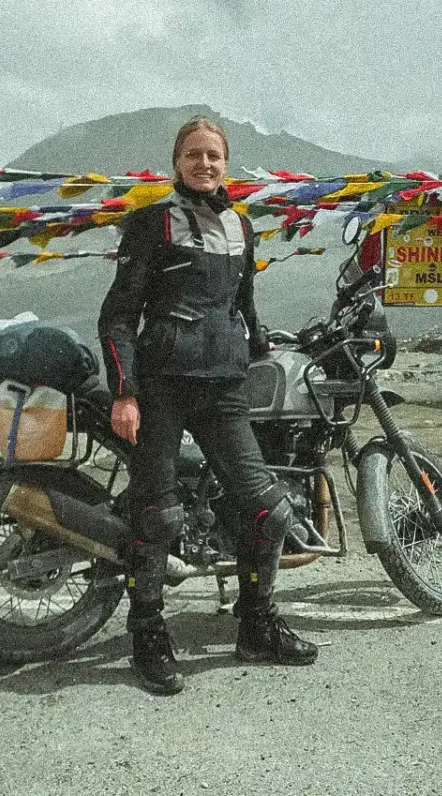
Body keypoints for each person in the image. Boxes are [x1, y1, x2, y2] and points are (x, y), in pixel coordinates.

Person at [97, 117, 319, 695]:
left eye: (214, 155)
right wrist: (125, 391)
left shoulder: (241, 226)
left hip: (224, 389)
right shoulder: (150, 223)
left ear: (227, 162)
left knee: (269, 510)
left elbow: (243, 307)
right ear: (176, 161)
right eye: (193, 154)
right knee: (158, 517)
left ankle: (256, 625)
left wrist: (269, 351)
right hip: (162, 386)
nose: (205, 164)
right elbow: (118, 315)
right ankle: (146, 632)